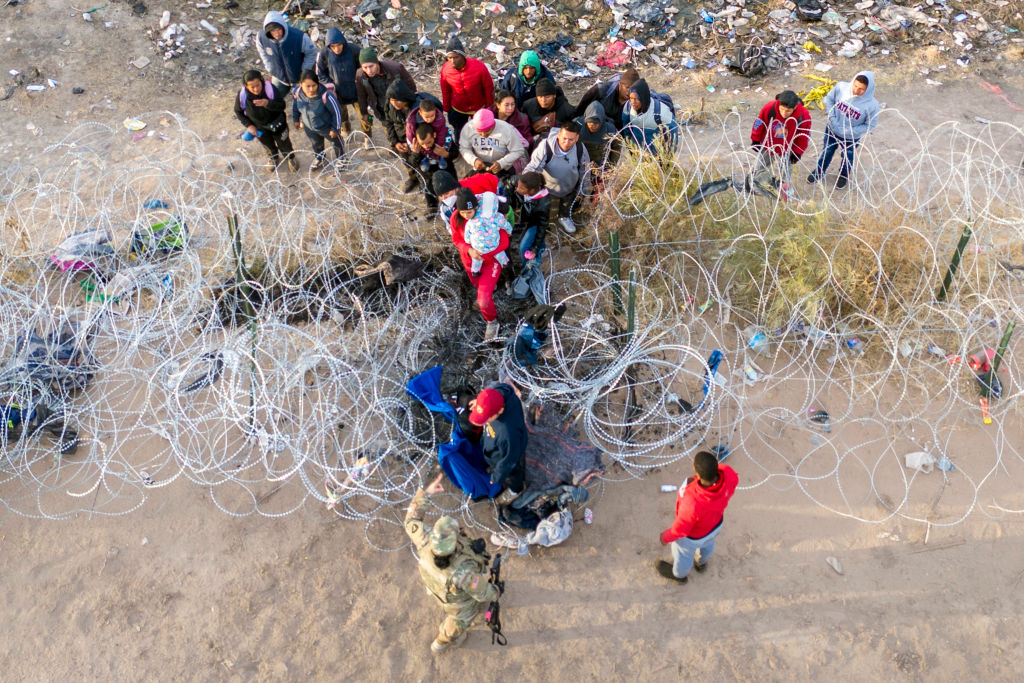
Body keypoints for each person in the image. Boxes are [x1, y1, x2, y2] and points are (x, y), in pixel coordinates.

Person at [404, 474, 499, 654]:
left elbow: (411, 520)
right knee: (460, 620)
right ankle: (442, 642)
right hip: (456, 602)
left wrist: (425, 494)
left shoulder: (425, 541)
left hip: (436, 585)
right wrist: (495, 593)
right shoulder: (464, 573)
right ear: (453, 546)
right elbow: (482, 594)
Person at [656, 450, 739, 583]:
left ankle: (679, 576)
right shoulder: (728, 475)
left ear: (697, 472)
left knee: (683, 555)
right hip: (716, 524)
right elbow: (730, 474)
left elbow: (681, 529)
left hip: (693, 537)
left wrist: (666, 537)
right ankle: (701, 563)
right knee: (708, 544)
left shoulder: (692, 501)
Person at [450, 188, 510, 342]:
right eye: (462, 212)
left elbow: (504, 240)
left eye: (469, 211)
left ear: (476, 207)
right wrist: (468, 250)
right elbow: (457, 240)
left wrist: (485, 252)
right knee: (478, 286)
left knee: (483, 299)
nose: (465, 215)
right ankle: (489, 292)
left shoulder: (490, 216)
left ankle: (492, 321)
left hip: (490, 262)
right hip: (470, 263)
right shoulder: (455, 218)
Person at [808, 71, 880, 189]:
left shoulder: (872, 105)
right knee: (827, 151)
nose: (856, 91)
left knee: (847, 157)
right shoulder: (841, 87)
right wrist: (832, 117)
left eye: (861, 89)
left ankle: (843, 176)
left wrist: (850, 131)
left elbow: (870, 126)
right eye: (855, 86)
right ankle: (819, 171)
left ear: (868, 89)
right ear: (852, 82)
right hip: (832, 129)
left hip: (851, 137)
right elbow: (830, 99)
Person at [524, 120, 590, 235]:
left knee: (566, 206)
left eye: (571, 140)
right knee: (547, 212)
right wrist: (526, 184)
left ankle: (564, 217)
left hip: (569, 188)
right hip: (549, 189)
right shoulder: (546, 146)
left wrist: (584, 190)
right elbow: (534, 167)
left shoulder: (580, 148)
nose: (566, 142)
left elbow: (585, 170)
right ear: (559, 134)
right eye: (564, 138)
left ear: (577, 138)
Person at [468, 382, 528, 498]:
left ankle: (516, 490)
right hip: (493, 441)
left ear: (500, 411)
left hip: (508, 453)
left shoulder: (507, 434)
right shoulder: (502, 394)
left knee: (513, 472)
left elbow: (508, 461)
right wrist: (480, 402)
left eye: (486, 419)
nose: (483, 422)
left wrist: (497, 477)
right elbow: (494, 392)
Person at [234, 69, 299, 172]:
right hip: (260, 127)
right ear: (246, 86)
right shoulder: (243, 96)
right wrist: (249, 125)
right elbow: (238, 112)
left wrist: (267, 103)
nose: (256, 89)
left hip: (278, 124)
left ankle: (290, 158)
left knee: (284, 142)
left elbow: (282, 105)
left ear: (262, 81)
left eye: (258, 85)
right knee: (267, 145)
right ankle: (273, 158)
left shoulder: (270, 89)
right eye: (252, 87)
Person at [440, 36, 495, 146]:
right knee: (459, 131)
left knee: (482, 131)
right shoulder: (446, 70)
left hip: (479, 107)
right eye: (449, 58)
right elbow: (445, 91)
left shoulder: (479, 67)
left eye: (455, 57)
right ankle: (462, 148)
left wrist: (489, 107)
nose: (452, 61)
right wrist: (446, 108)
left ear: (463, 56)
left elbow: (488, 88)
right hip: (458, 108)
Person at [750, 90, 812, 185]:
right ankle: (754, 184)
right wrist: (755, 139)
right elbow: (759, 122)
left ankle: (783, 186)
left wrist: (797, 152)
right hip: (769, 145)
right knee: (760, 167)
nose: (784, 113)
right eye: (782, 109)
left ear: (795, 107)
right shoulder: (770, 107)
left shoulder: (803, 115)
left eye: (788, 111)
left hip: (788, 148)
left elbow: (804, 136)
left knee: (786, 170)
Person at [354, 47, 417, 140]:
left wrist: (410, 108)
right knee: (391, 135)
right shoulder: (360, 75)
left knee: (408, 133)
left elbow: (412, 88)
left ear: (377, 62)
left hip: (400, 108)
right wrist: (364, 113)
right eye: (365, 67)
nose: (368, 71)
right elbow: (361, 95)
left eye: (371, 66)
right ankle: (394, 149)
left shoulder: (396, 69)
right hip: (381, 110)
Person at [383, 79, 434, 192]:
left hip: (416, 142)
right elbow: (389, 123)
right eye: (392, 100)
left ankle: (424, 182)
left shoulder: (417, 107)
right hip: (400, 140)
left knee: (421, 164)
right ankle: (413, 178)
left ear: (405, 98)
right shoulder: (389, 106)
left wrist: (412, 143)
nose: (394, 103)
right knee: (407, 162)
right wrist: (395, 142)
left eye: (397, 100)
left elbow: (423, 129)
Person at [291, 70, 344, 170]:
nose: (311, 89)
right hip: (309, 126)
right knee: (316, 144)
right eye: (307, 86)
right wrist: (296, 119)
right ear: (301, 84)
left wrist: (335, 129)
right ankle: (320, 157)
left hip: (326, 126)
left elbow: (337, 112)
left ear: (318, 84)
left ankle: (341, 158)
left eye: (314, 85)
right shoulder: (297, 93)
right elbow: (295, 106)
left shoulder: (326, 96)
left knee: (336, 142)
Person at [459, 108, 528, 180]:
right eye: (479, 132)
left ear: (494, 124)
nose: (484, 135)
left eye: (487, 131)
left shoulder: (507, 129)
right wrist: (473, 160)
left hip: (503, 169)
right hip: (479, 167)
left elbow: (518, 150)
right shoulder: (468, 128)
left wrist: (501, 163)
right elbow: (464, 148)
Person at [255, 11, 317, 89]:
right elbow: (262, 51)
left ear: (283, 27)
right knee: (274, 99)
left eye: (279, 29)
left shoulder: (299, 37)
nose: (277, 34)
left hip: (300, 78)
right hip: (279, 77)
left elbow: (311, 51)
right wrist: (269, 67)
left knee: (303, 100)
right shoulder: (262, 37)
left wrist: (304, 71)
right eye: (273, 31)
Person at [315, 28, 359, 134]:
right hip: (337, 91)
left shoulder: (354, 50)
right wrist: (331, 85)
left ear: (343, 42)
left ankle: (367, 135)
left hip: (356, 90)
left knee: (364, 114)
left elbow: (362, 67)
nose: (336, 49)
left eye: (339, 45)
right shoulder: (324, 54)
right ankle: (346, 129)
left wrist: (359, 81)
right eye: (333, 46)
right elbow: (321, 73)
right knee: (341, 113)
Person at [620, 79, 679, 152]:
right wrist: (631, 148)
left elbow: (673, 137)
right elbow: (627, 129)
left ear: (643, 98)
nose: (633, 102)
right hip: (639, 152)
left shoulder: (661, 112)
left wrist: (667, 157)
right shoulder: (628, 107)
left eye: (636, 99)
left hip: (658, 155)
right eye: (631, 98)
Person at [575, 67, 640, 129]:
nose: (629, 92)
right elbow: (580, 110)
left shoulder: (635, 103)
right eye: (627, 87)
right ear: (620, 84)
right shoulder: (601, 90)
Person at [433, 170, 504, 225]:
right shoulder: (445, 208)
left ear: (456, 189)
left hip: (495, 186)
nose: (444, 198)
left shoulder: (470, 193)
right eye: (440, 196)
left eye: (446, 193)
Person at [510, 171, 550, 265]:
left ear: (532, 190)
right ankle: (543, 249)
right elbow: (512, 182)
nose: (517, 189)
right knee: (538, 239)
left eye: (521, 188)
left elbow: (542, 228)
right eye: (518, 186)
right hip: (527, 221)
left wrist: (534, 248)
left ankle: (528, 266)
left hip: (534, 225)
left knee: (522, 249)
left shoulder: (542, 206)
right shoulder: (523, 184)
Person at [521, 78, 576, 147]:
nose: (543, 100)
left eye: (547, 97)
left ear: (554, 95)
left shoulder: (567, 110)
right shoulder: (528, 106)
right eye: (540, 97)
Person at [413, 123, 454, 214]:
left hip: (446, 171)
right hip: (427, 174)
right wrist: (415, 154)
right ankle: (432, 207)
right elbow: (413, 163)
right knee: (428, 190)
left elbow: (455, 153)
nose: (426, 146)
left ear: (434, 135)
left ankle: (452, 207)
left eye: (429, 142)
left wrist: (446, 154)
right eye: (422, 144)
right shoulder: (416, 147)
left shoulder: (443, 141)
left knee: (449, 191)